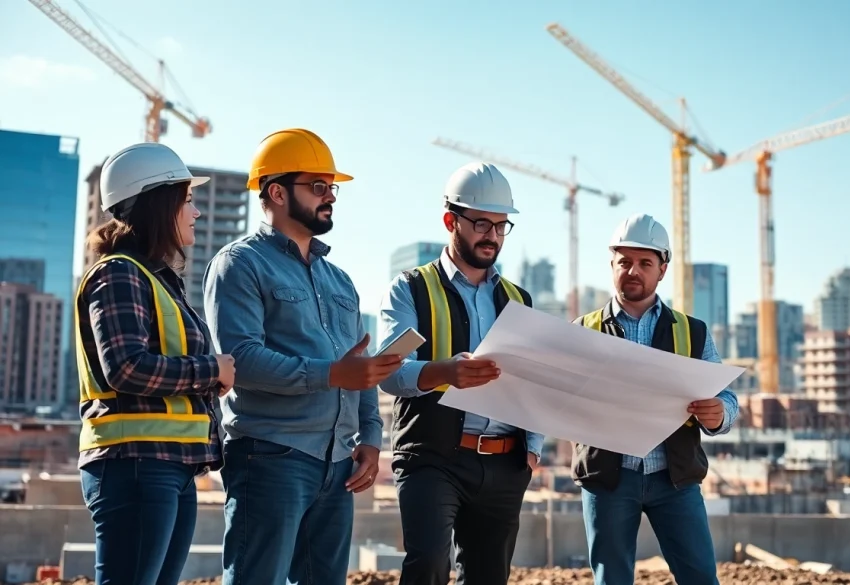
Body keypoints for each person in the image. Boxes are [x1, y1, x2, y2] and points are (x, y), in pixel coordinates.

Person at [202, 128, 393, 585]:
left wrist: (369, 435)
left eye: (333, 188)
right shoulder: (240, 264)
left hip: (336, 464)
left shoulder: (341, 280)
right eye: (318, 187)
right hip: (270, 457)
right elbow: (241, 360)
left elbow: (359, 366)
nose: (330, 198)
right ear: (277, 192)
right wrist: (333, 374)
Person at [377, 161, 544, 585]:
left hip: (505, 461)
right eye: (482, 224)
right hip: (434, 457)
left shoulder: (517, 298)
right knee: (430, 566)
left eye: (501, 226)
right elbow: (389, 372)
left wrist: (533, 448)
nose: (492, 236)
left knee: (489, 577)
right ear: (451, 220)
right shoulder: (410, 288)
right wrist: (444, 371)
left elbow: (533, 379)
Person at [76, 142, 235, 585]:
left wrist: (206, 381)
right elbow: (125, 367)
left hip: (170, 467)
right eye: (187, 200)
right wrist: (212, 371)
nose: (196, 212)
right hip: (135, 464)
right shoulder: (119, 273)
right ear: (158, 203)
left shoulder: (157, 280)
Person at [571, 213, 739, 585]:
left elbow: (725, 396)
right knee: (611, 580)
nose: (633, 270)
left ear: (662, 270)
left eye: (645, 263)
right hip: (608, 479)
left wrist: (719, 414)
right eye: (624, 261)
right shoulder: (582, 331)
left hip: (674, 479)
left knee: (700, 578)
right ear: (611, 264)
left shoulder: (693, 331)